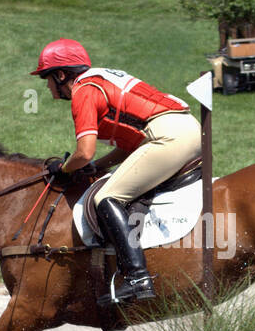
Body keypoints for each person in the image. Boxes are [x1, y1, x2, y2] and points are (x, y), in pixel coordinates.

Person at [31, 38, 202, 304]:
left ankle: (137, 278)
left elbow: (83, 152)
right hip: (183, 129)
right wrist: (97, 167)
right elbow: (128, 147)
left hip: (169, 136)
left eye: (47, 79)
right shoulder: (100, 81)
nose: (49, 88)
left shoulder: (83, 91)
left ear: (61, 74)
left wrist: (64, 168)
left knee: (106, 198)